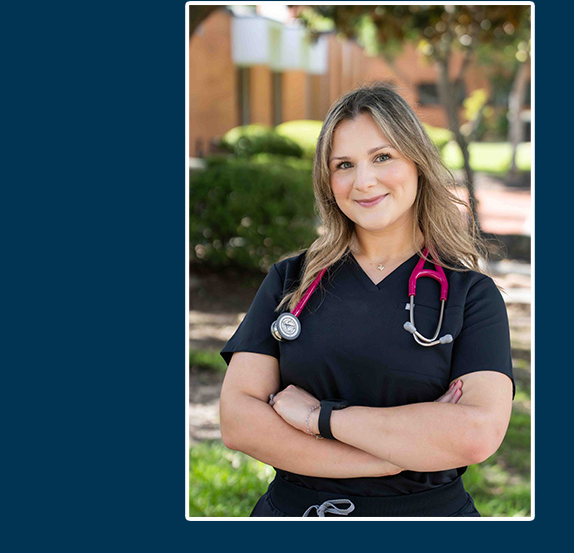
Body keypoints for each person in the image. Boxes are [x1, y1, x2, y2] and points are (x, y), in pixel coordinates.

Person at [218, 82, 514, 518]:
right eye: (343, 164)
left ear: (417, 162)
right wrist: (394, 456)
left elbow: (474, 434)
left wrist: (319, 418)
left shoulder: (471, 296)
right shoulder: (292, 281)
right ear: (327, 179)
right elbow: (239, 421)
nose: (363, 181)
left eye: (382, 157)